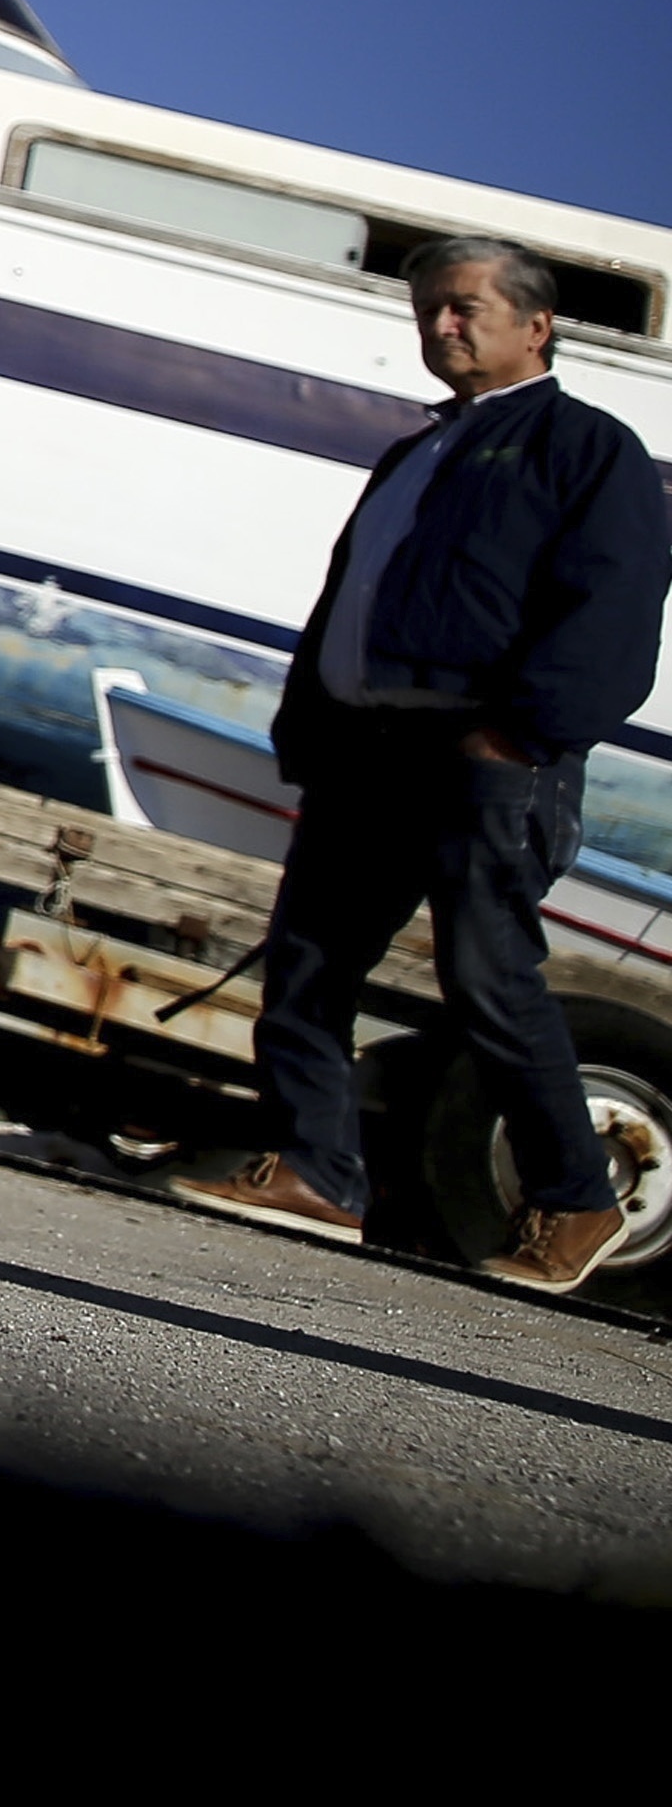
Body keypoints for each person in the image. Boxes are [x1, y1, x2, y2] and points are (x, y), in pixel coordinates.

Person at [165, 244, 666, 1293]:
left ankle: (576, 1199)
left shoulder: (586, 449)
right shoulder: (418, 455)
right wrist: (308, 729)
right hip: (371, 757)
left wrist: (521, 731)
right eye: (428, 308)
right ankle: (316, 1173)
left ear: (536, 326)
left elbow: (614, 608)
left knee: (487, 977)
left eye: (464, 307)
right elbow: (350, 596)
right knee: (309, 966)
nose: (441, 323)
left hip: (487, 757)